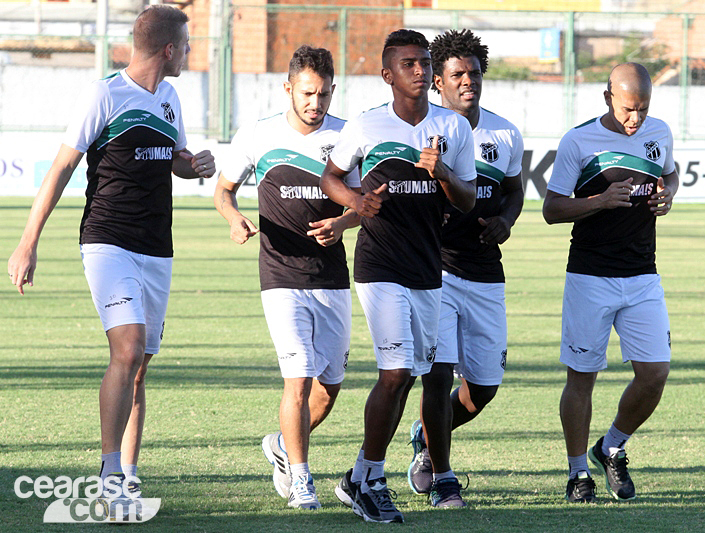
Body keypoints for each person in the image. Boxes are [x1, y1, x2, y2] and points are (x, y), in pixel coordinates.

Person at [6, 4, 214, 517]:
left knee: (139, 366)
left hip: (157, 247)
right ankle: (109, 474)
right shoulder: (104, 94)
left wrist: (195, 165)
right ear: (168, 49)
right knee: (128, 348)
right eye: (186, 45)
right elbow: (60, 168)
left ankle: (129, 474)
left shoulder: (170, 99)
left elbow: (174, 160)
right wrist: (28, 241)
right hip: (107, 240)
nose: (190, 52)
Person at [320, 29, 476, 523]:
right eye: (408, 63)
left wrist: (444, 174)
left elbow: (468, 199)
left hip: (428, 271)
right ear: (387, 75)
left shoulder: (453, 127)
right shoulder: (367, 125)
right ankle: (371, 479)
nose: (420, 70)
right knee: (394, 372)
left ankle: (356, 476)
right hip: (379, 266)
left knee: (409, 376)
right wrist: (355, 200)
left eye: (425, 62)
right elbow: (330, 177)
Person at [214, 45, 360, 511]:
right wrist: (234, 218)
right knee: (297, 379)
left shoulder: (347, 136)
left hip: (331, 277)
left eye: (324, 94)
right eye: (307, 93)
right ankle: (301, 479)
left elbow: (363, 204)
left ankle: (281, 444)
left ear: (334, 90)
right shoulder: (258, 134)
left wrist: (343, 223)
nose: (315, 103)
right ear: (288, 89)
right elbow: (223, 191)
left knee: (328, 387)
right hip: (279, 276)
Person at [542, 62, 678, 503]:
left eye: (643, 108)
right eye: (627, 109)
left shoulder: (659, 132)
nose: (635, 118)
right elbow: (551, 209)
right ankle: (577, 473)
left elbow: (670, 172)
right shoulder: (578, 141)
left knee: (655, 373)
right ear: (607, 98)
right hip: (590, 276)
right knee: (582, 378)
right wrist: (599, 200)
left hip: (642, 275)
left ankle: (611, 446)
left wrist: (669, 193)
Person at [405, 29, 524, 508]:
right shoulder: (422, 131)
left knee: (484, 388)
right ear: (438, 81)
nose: (467, 81)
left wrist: (506, 221)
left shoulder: (504, 133)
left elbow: (514, 191)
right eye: (457, 74)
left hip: (485, 272)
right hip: (435, 271)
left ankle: (426, 435)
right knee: (437, 375)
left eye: (474, 73)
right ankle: (443, 477)